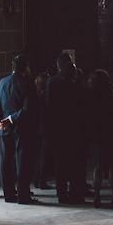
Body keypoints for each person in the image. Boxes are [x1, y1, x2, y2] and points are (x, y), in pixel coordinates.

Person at [0, 54, 39, 204]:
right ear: (25, 68)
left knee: (5, 162)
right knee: (22, 162)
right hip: (21, 128)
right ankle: (23, 196)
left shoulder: (2, 83)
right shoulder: (27, 83)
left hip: (4, 129)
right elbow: (27, 109)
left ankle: (9, 195)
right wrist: (10, 120)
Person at [48, 53, 85, 204]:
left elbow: (50, 107)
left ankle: (61, 194)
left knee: (60, 164)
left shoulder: (52, 83)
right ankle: (75, 194)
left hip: (58, 129)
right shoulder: (76, 88)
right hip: (73, 130)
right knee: (74, 164)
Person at [86, 69, 113, 208]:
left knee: (98, 167)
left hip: (96, 136)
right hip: (111, 135)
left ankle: (97, 197)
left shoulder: (90, 97)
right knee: (112, 168)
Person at [33, 72, 54, 190]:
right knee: (44, 156)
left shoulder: (35, 95)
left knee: (39, 156)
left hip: (37, 128)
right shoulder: (46, 96)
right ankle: (42, 180)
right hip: (45, 128)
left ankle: (37, 179)